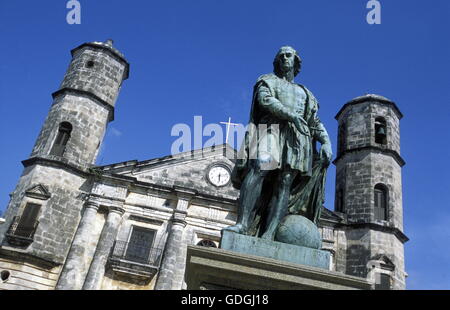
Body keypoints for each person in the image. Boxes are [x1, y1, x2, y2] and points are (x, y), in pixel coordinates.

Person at [223, 46, 332, 240]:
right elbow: (265, 101)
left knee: (285, 182)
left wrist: (326, 142)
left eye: (288, 55)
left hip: (298, 138)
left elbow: (314, 122)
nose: (284, 59)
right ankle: (242, 224)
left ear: (296, 61)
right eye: (280, 56)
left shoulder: (305, 93)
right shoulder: (267, 80)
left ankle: (270, 233)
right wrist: (292, 116)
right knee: (259, 168)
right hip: (270, 129)